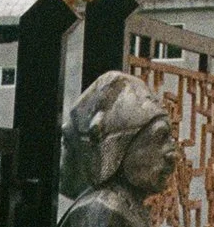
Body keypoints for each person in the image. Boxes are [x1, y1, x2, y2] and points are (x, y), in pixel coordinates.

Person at [60, 72, 180, 227]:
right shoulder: (104, 210)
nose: (173, 155)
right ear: (121, 146)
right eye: (159, 138)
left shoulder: (127, 207)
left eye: (170, 139)